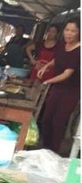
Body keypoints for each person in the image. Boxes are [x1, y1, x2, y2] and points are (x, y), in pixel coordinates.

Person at [38, 18, 80, 154]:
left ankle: (53, 152)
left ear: (79, 32)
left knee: (58, 122)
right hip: (58, 88)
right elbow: (58, 59)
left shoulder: (79, 50)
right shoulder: (62, 45)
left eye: (73, 31)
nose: (69, 33)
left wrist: (48, 81)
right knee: (46, 119)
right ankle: (45, 147)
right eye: (67, 30)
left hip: (71, 91)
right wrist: (46, 66)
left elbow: (67, 73)